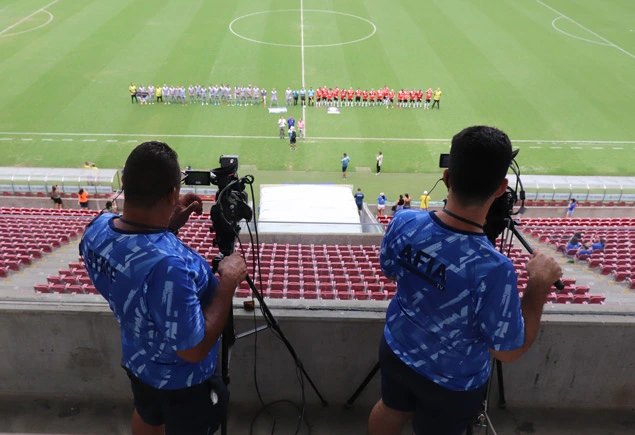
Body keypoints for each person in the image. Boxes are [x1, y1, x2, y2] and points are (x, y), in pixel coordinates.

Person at [368, 126, 562, 435]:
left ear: (447, 177)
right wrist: (539, 284)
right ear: (501, 188)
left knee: (389, 410)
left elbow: (390, 270)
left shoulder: (404, 222)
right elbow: (507, 351)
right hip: (453, 381)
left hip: (397, 347)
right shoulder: (494, 269)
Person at [79, 141, 247, 435]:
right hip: (183, 382)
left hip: (138, 360)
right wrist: (229, 281)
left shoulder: (96, 229)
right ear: (172, 194)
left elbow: (130, 256)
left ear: (124, 183)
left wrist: (166, 224)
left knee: (147, 415)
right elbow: (193, 350)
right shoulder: (167, 267)